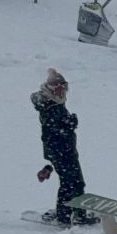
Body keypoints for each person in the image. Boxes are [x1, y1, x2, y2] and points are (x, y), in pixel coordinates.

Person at [31, 68, 95, 225]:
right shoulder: (49, 106)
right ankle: (71, 215)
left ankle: (72, 213)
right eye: (59, 88)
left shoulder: (55, 102)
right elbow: (53, 129)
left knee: (72, 182)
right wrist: (68, 124)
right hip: (61, 151)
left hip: (64, 149)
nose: (63, 92)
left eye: (65, 88)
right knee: (72, 183)